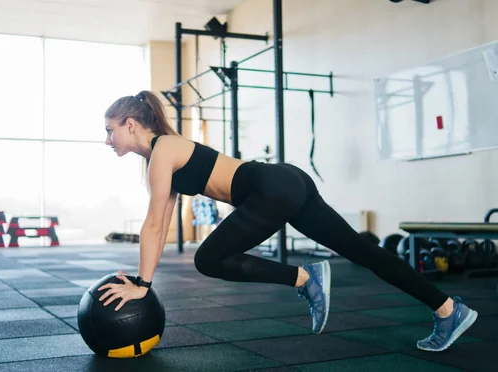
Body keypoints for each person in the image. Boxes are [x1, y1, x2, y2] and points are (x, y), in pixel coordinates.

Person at [97, 90, 478, 352]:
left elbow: (151, 225)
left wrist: (143, 285)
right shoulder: (162, 154)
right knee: (362, 251)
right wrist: (142, 279)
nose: (107, 140)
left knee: (208, 258)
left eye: (109, 130)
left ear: (130, 124)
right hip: (283, 181)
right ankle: (447, 309)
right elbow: (160, 225)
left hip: (269, 189)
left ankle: (305, 278)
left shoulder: (164, 149)